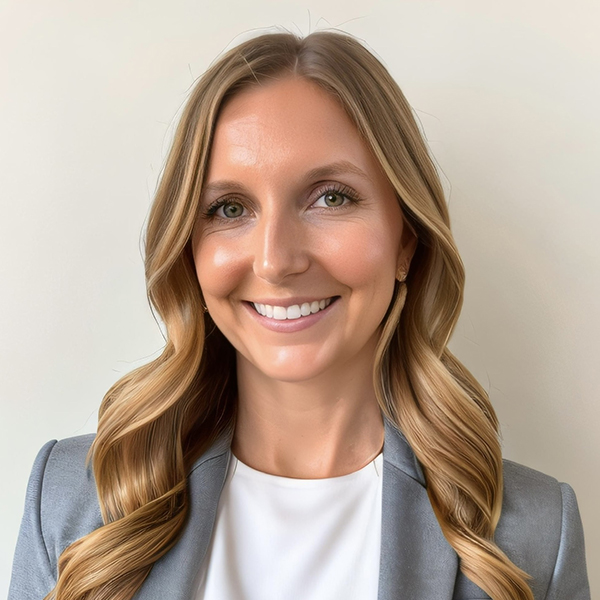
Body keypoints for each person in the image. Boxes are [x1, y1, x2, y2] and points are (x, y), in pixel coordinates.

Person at [9, 30, 590, 600]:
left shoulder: (532, 535)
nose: (275, 260)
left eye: (331, 197)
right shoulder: (71, 502)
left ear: (406, 239)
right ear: (190, 247)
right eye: (230, 208)